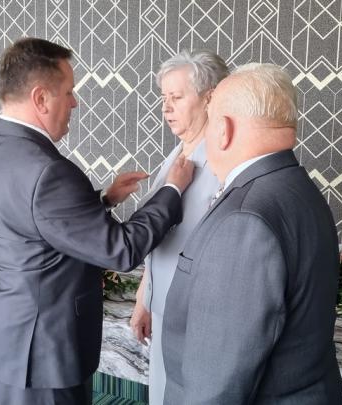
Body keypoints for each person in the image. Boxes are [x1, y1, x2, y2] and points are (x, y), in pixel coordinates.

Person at [0, 38, 195, 405]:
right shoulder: (48, 172)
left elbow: (35, 220)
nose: (75, 102)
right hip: (43, 353)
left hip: (7, 337)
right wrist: (171, 190)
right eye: (69, 92)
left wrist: (103, 199)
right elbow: (121, 250)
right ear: (41, 98)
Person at [160, 63, 342, 404]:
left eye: (209, 121)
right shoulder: (300, 188)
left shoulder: (244, 219)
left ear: (224, 130)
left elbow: (217, 382)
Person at [128, 50, 228, 405]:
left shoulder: (222, 165)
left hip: (198, 320)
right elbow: (162, 241)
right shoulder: (176, 157)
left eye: (176, 97)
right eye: (163, 98)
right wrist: (144, 300)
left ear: (210, 97)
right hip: (164, 311)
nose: (166, 108)